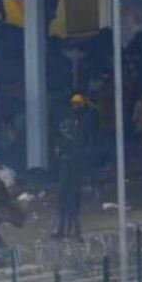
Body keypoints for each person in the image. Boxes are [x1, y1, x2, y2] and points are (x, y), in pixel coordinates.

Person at [54, 95, 91, 240]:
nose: (75, 107)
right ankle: (64, 230)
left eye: (78, 104)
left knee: (72, 203)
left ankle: (74, 232)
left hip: (74, 169)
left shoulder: (83, 123)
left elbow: (79, 141)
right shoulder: (70, 123)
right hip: (70, 169)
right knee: (66, 203)